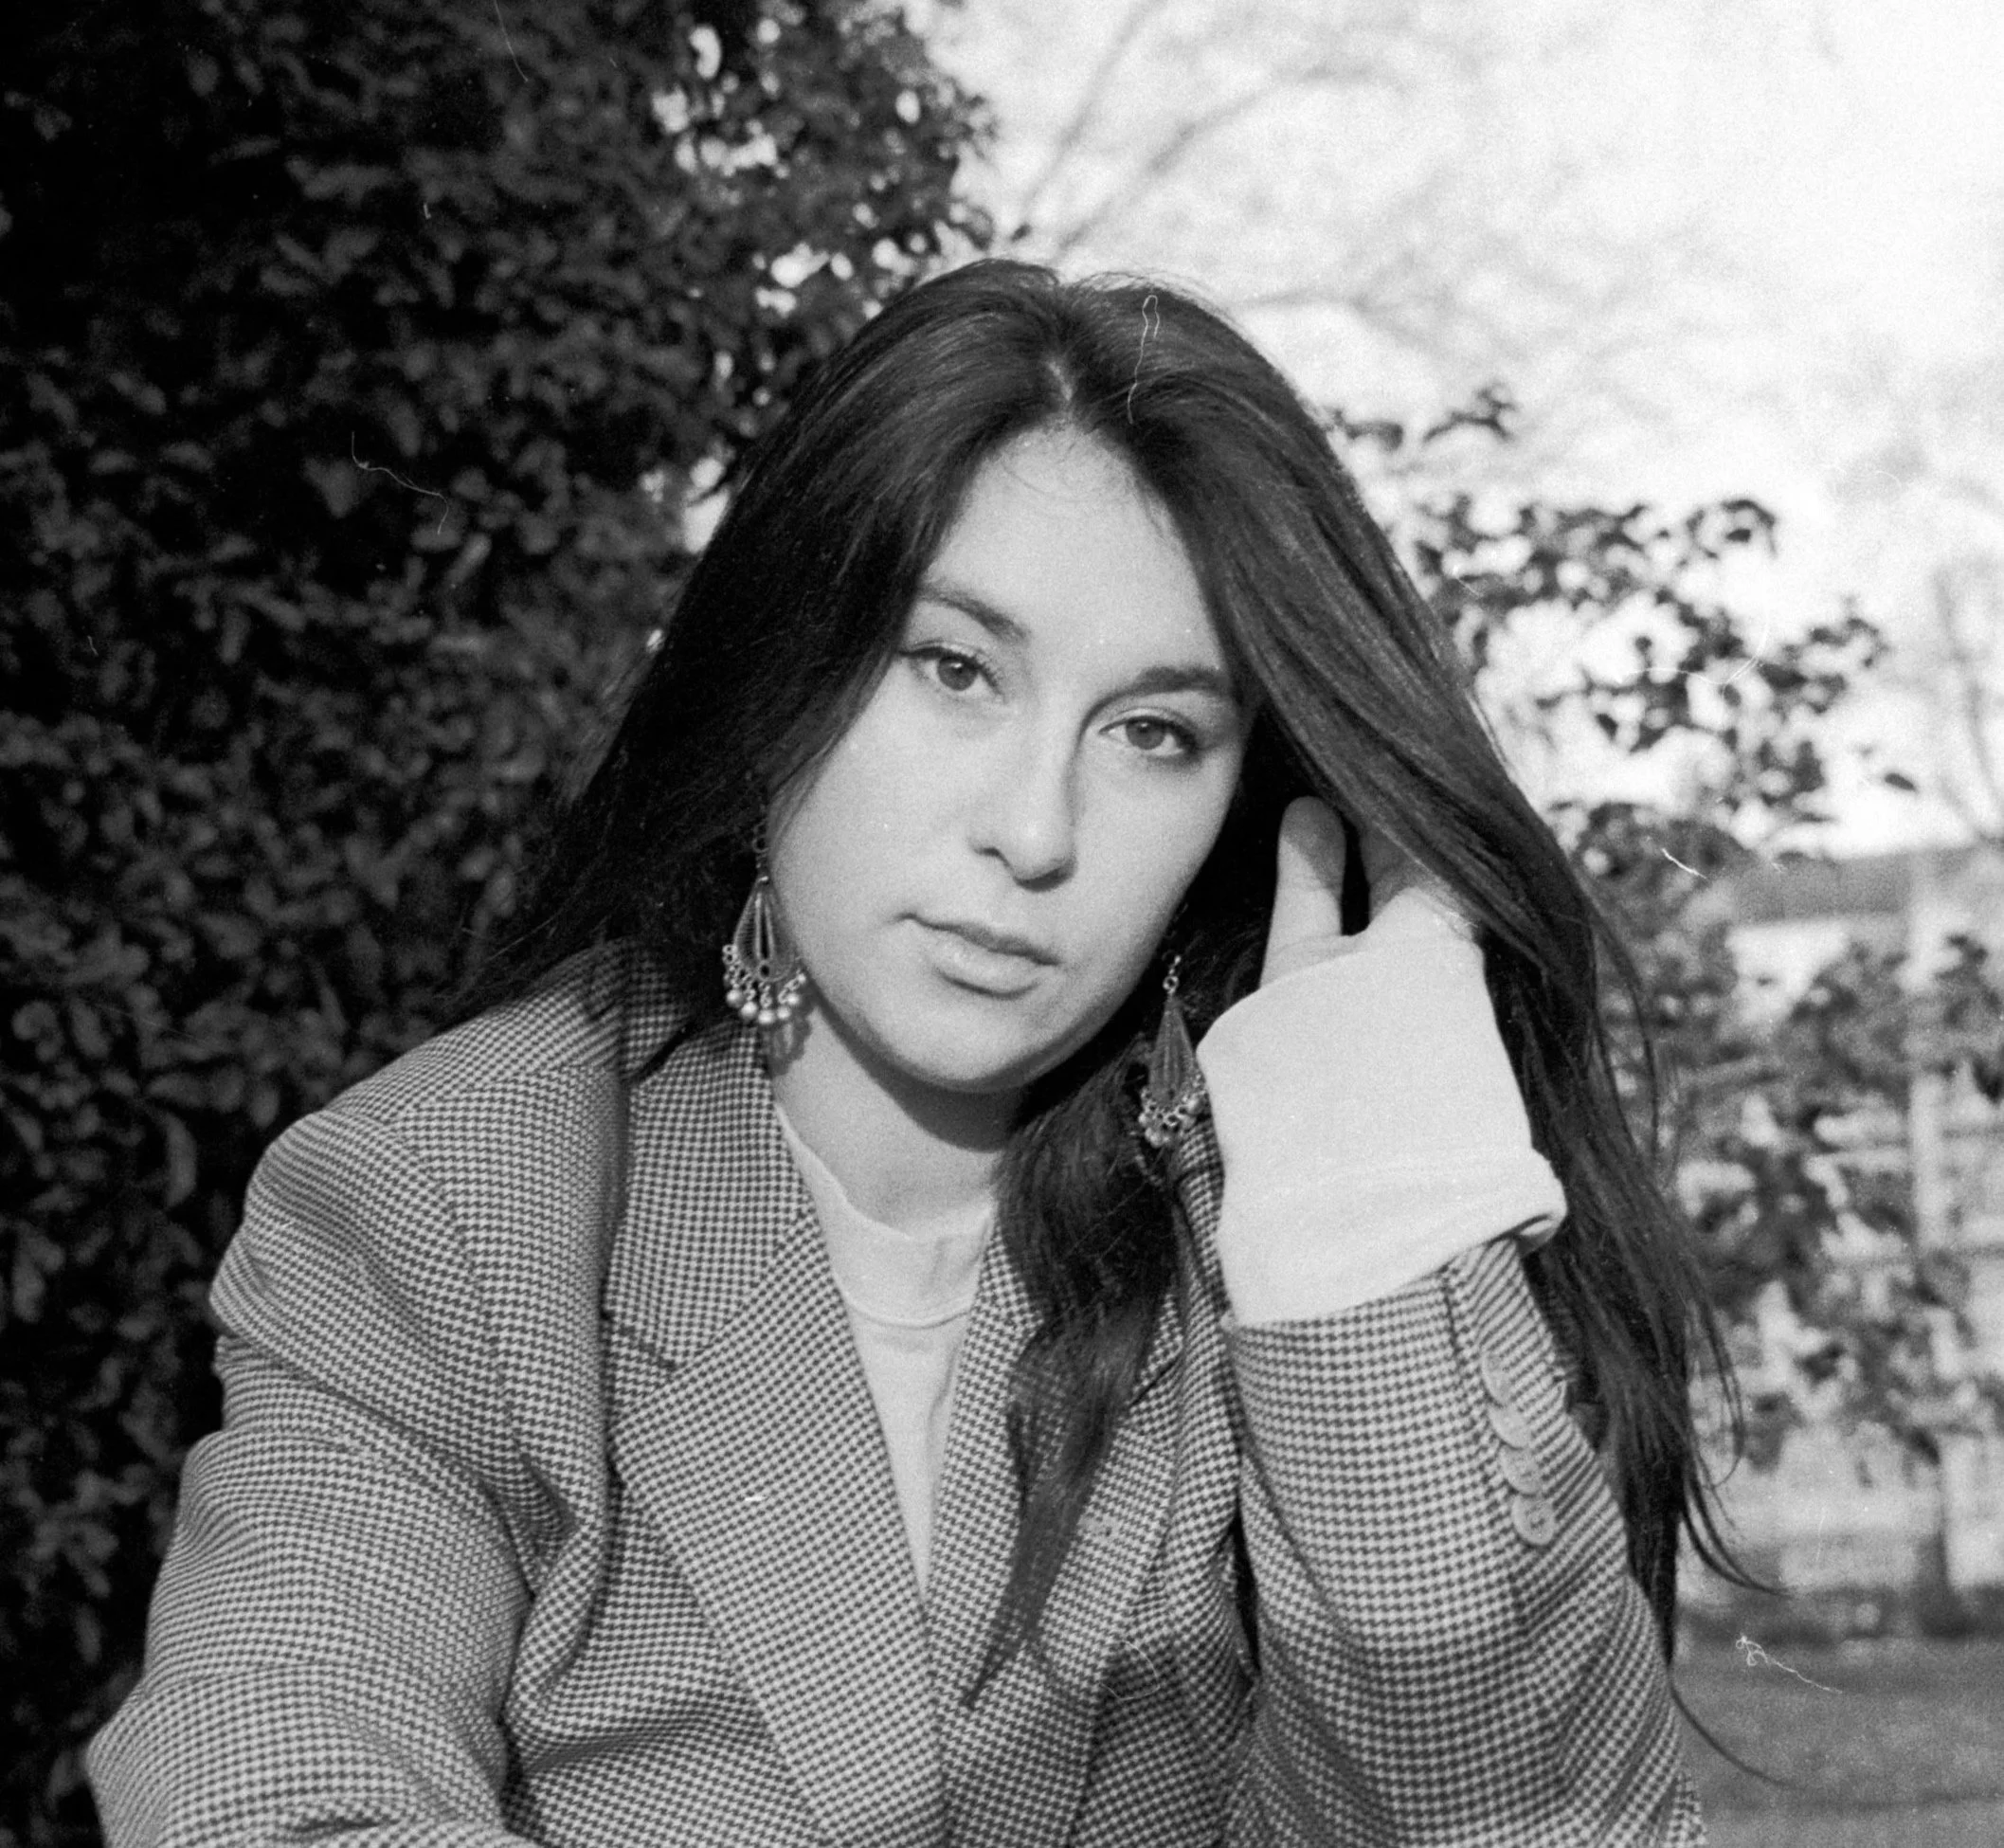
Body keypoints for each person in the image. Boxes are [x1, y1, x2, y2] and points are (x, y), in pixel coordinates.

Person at [90, 260, 1724, 1845]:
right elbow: (274, 1783)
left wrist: (1363, 1263)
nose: (1033, 830)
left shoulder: (1289, 1209)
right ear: (782, 671)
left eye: (1153, 732)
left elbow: (1521, 1814)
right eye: (953, 669)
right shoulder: (450, 1199)